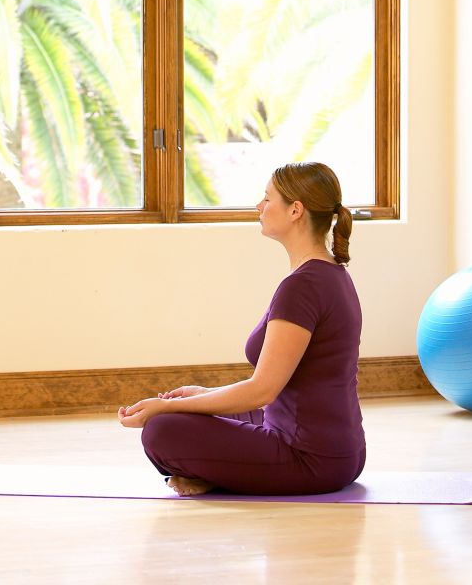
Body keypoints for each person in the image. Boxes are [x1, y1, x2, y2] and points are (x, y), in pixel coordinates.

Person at [118, 161, 365, 497]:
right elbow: (275, 391)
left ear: (295, 210)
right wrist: (203, 394)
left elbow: (262, 391)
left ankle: (214, 472)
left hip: (310, 458)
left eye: (267, 198)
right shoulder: (333, 274)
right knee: (213, 413)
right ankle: (217, 470)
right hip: (341, 452)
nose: (259, 206)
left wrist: (168, 407)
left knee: (161, 430)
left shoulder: (303, 286)